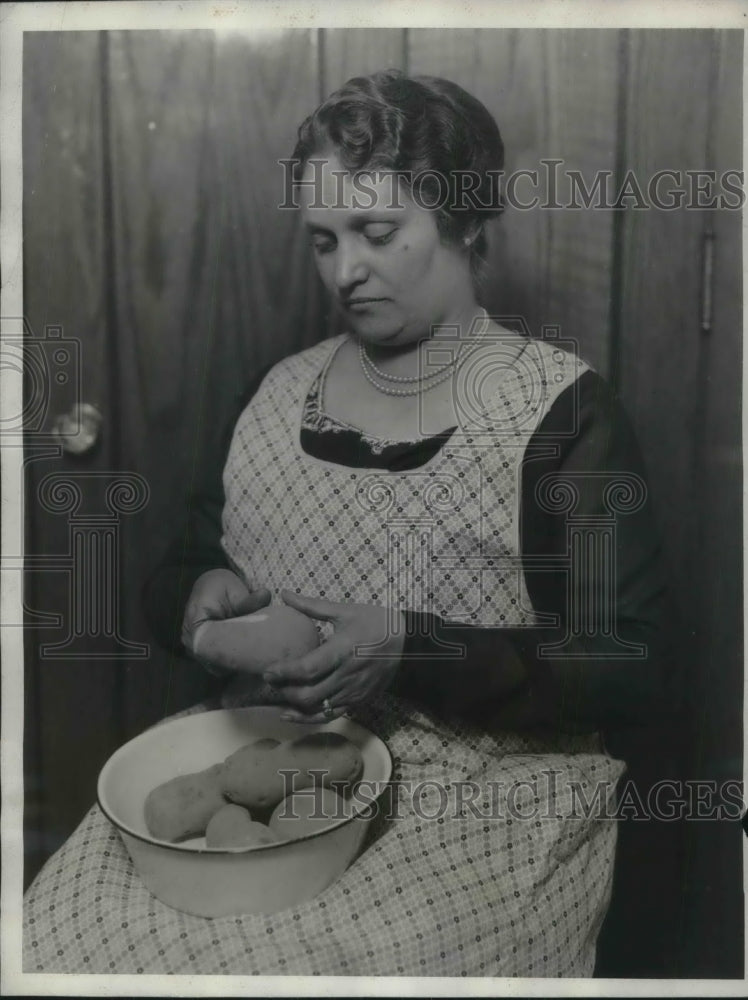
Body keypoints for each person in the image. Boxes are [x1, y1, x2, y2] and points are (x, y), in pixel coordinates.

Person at [24, 70, 680, 977]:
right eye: (323, 240)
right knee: (51, 937)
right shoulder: (280, 392)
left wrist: (412, 648)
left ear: (465, 222)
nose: (345, 271)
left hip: (484, 801)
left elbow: (632, 665)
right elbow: (183, 569)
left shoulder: (562, 412)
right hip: (268, 757)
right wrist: (193, 600)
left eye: (378, 233)